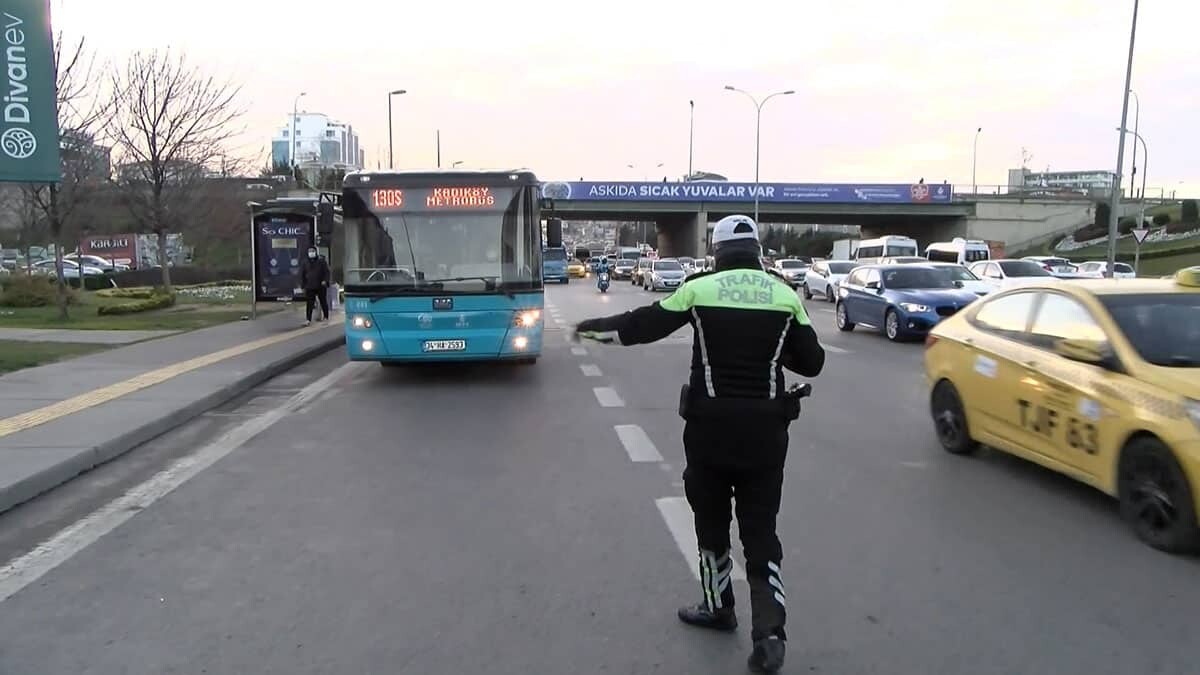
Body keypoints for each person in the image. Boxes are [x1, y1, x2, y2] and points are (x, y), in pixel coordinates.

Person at [573, 215, 825, 673]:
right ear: (757, 251)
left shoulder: (699, 289)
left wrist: (587, 328)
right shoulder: (784, 295)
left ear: (718, 251)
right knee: (761, 534)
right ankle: (770, 635)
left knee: (711, 524)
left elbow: (640, 326)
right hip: (767, 435)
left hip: (710, 433)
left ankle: (718, 606)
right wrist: (773, 348)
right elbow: (812, 363)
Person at [300, 246, 331, 326]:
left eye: (312, 251)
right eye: (309, 251)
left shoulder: (321, 261)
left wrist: (325, 280)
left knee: (323, 301)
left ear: (315, 252)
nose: (311, 253)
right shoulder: (305, 262)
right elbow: (302, 274)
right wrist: (303, 286)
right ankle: (308, 319)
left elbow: (326, 272)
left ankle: (326, 317)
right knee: (309, 303)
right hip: (309, 285)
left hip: (320, 285)